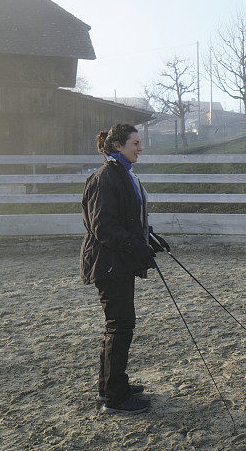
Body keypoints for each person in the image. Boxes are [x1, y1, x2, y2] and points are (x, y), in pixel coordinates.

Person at [80, 123, 165, 414]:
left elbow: (127, 216)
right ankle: (115, 397)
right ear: (118, 146)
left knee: (118, 325)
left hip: (118, 262)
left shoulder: (122, 174)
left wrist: (149, 237)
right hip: (108, 264)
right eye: (135, 143)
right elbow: (102, 226)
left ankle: (111, 386)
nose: (140, 148)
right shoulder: (106, 177)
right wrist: (135, 245)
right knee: (120, 325)